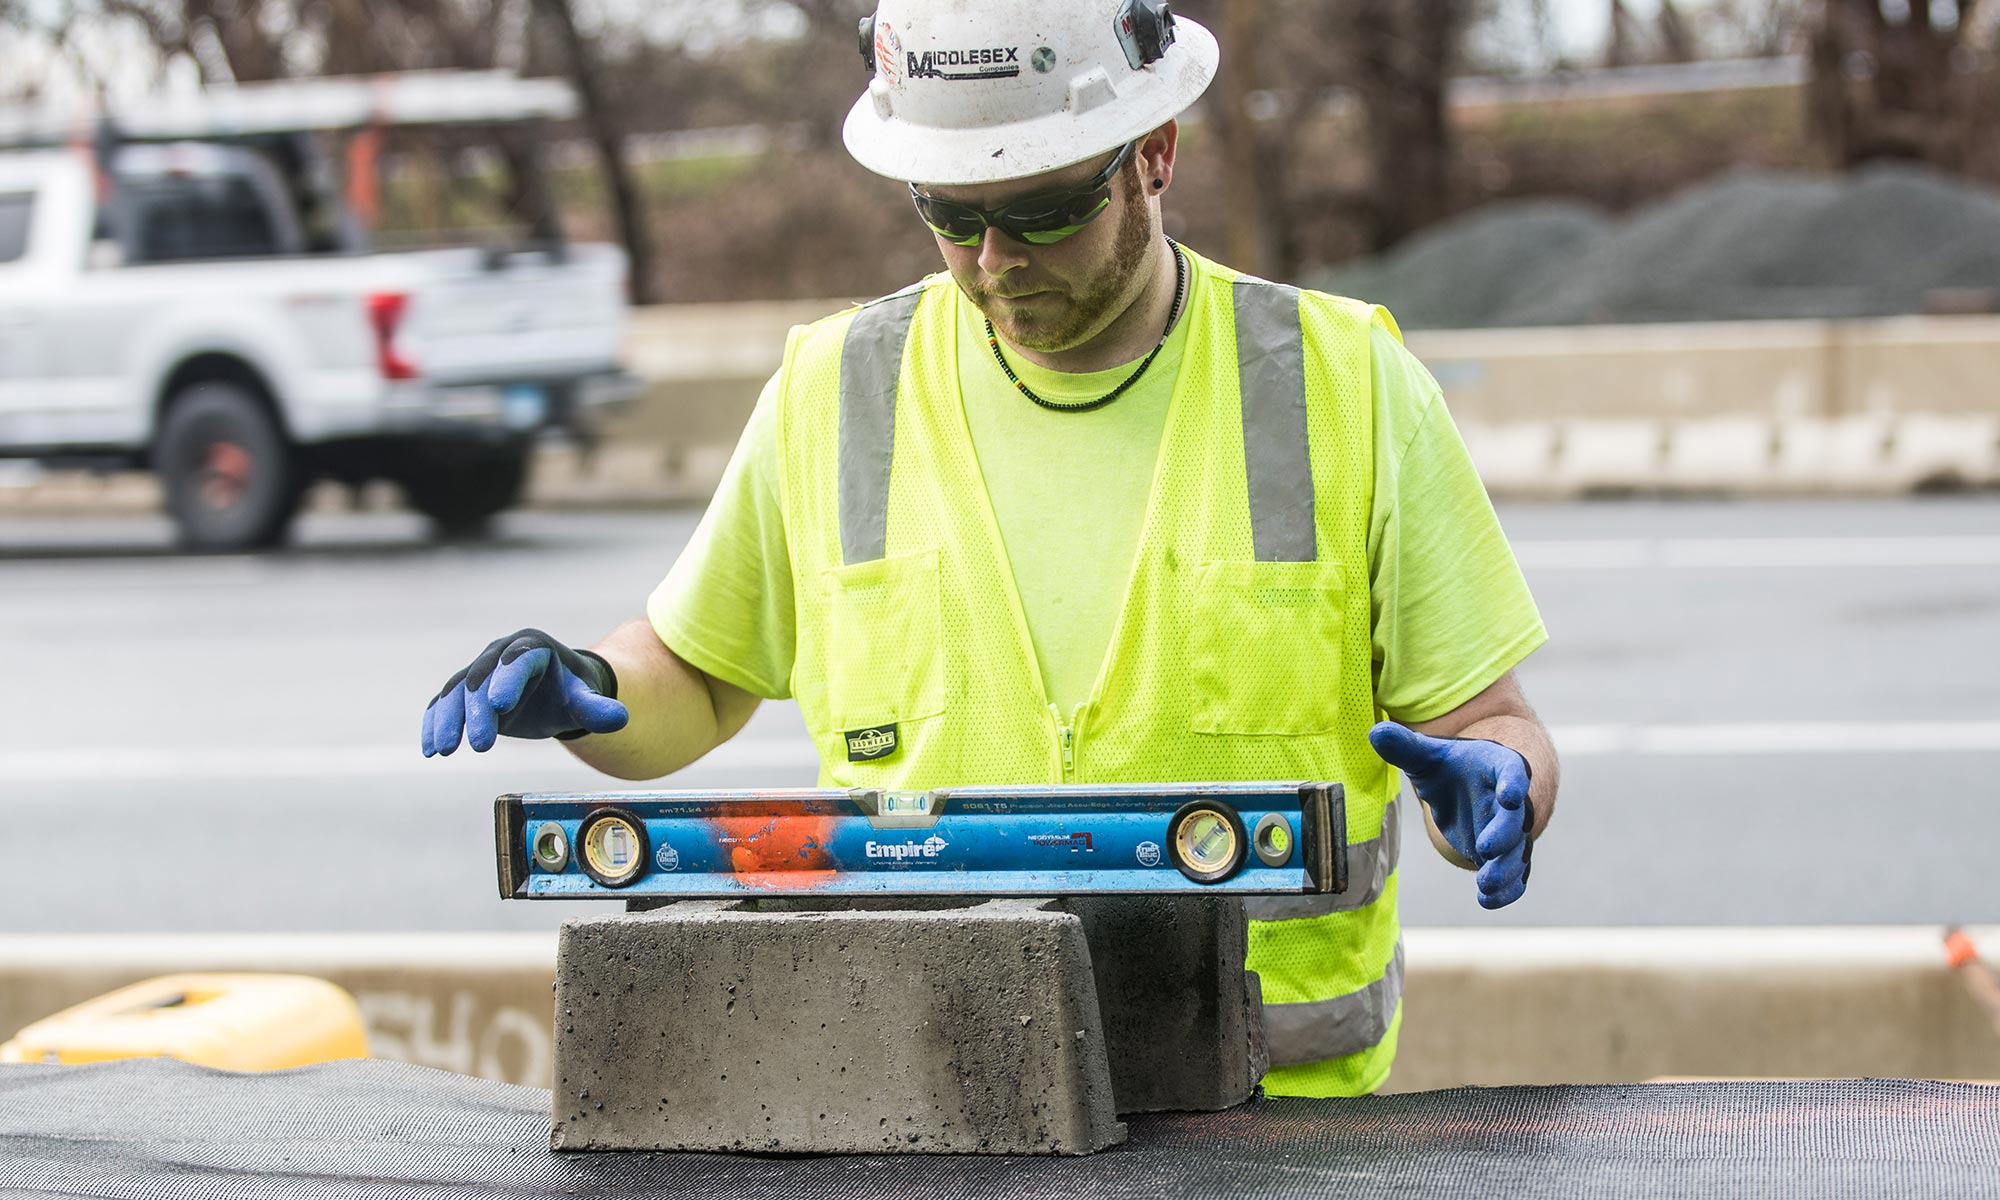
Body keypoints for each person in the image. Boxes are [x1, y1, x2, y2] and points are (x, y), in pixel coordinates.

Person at [421, 0, 1558, 1098]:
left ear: (1153, 152)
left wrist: (1502, 782)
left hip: (1277, 1140)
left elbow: (1482, 724)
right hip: (934, 1104)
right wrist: (587, 692)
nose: (996, 259)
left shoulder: (1340, 386)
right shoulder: (837, 390)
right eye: (952, 215)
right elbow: (699, 674)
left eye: (1046, 209)